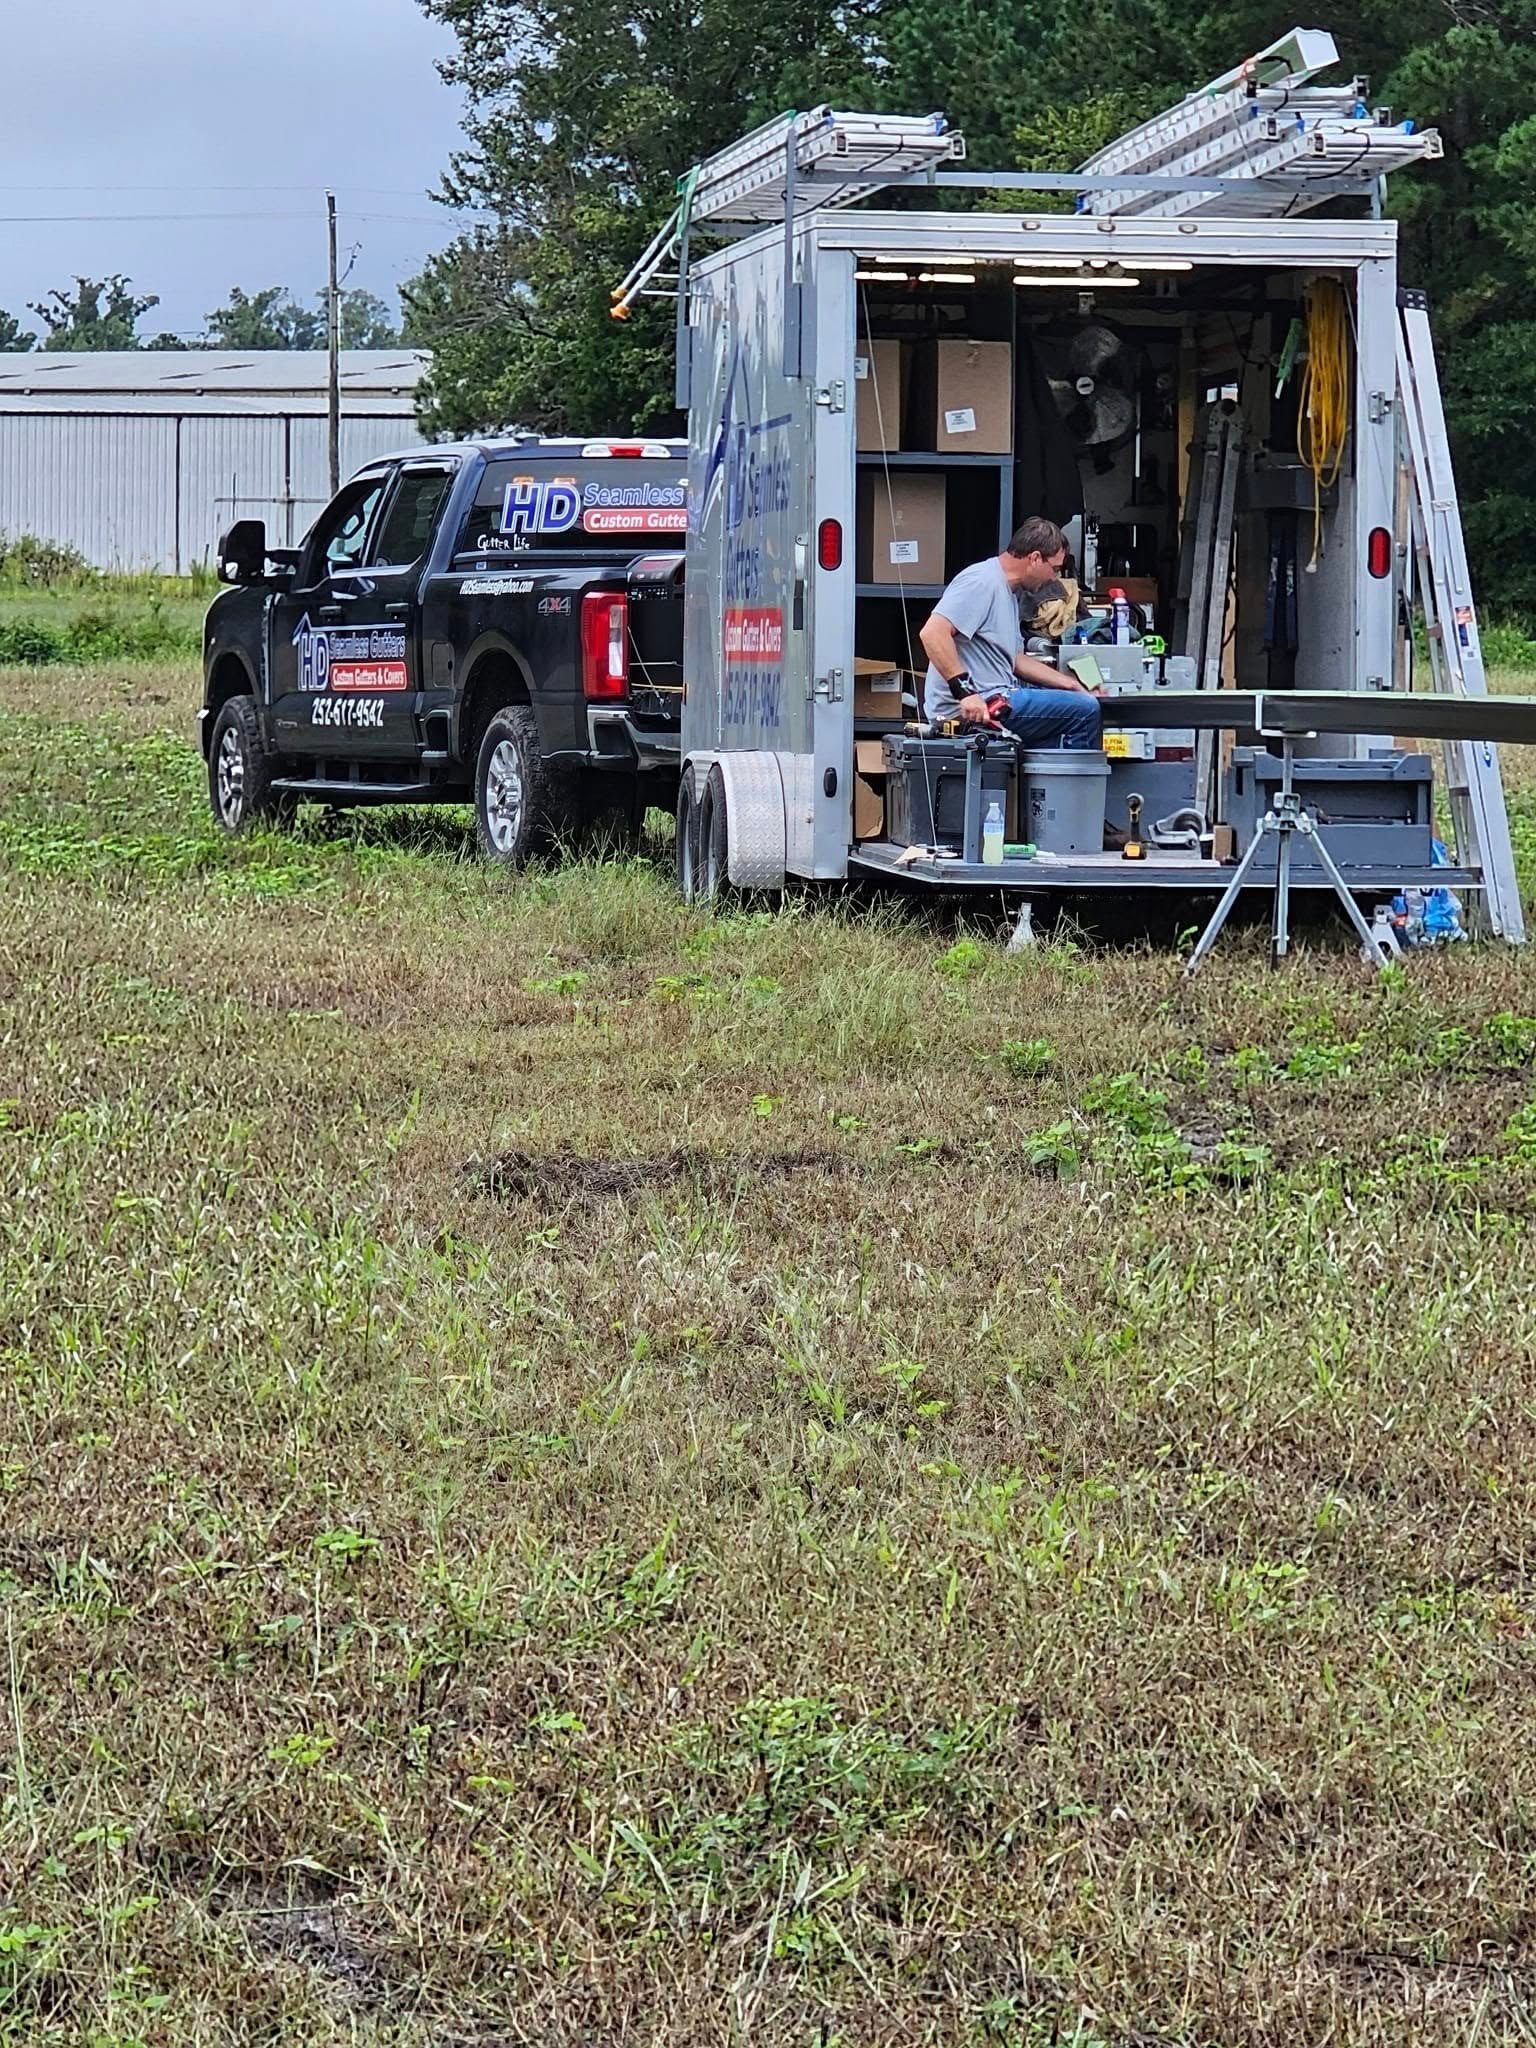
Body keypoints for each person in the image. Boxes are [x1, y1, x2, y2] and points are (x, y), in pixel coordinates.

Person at [918, 517, 1102, 748]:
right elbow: (933, 633)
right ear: (1035, 558)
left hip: (996, 696)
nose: (1054, 578)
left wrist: (1072, 685)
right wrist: (965, 693)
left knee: (1079, 702)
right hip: (975, 705)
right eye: (1054, 569)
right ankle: (1074, 785)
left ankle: (1040, 783)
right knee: (1085, 712)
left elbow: (1016, 660)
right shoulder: (981, 581)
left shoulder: (1010, 593)